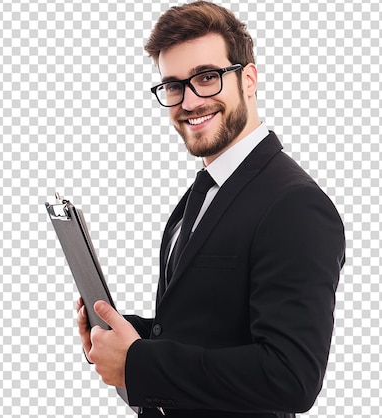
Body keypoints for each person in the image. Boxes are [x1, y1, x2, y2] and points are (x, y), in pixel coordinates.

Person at [76, 1, 346, 417]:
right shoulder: (204, 192)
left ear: (249, 79)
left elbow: (290, 377)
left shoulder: (296, 206)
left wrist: (139, 364)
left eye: (207, 77)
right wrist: (126, 339)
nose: (189, 101)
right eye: (173, 86)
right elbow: (207, 331)